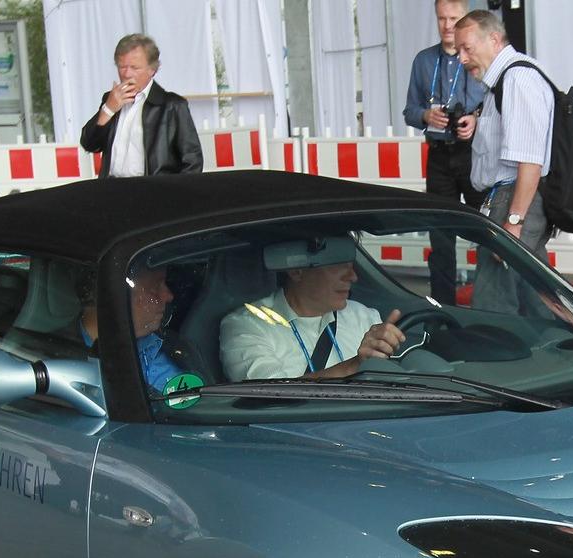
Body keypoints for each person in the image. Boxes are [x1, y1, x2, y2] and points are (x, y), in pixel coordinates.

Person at [455, 10, 554, 314]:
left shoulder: (517, 80)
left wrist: (513, 223)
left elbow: (530, 161)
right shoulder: (505, 81)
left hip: (513, 201)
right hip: (510, 200)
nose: (461, 58)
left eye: (467, 49)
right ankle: (563, 349)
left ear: (495, 40)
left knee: (494, 303)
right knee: (535, 295)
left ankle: (494, 356)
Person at [404, 0, 488, 305]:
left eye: (454, 18)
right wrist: (427, 116)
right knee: (440, 236)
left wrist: (476, 120)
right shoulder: (424, 61)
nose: (447, 25)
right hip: (438, 154)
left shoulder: (477, 58)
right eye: (442, 18)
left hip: (472, 153)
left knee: (485, 229)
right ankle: (443, 308)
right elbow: (409, 110)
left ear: (464, 17)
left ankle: (487, 301)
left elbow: (492, 104)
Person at [218, 245, 405, 381]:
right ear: (296, 271)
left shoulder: (364, 316)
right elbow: (270, 397)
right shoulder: (246, 325)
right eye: (338, 265)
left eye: (351, 266)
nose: (353, 277)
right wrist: (354, 366)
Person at [79, 34, 203, 178]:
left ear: (152, 70)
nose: (126, 73)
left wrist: (172, 196)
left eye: (134, 67)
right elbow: (89, 144)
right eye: (122, 67)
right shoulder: (111, 100)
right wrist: (108, 109)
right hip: (111, 190)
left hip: (152, 191)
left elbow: (192, 161)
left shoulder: (172, 106)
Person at [82, 265, 187, 393]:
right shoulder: (64, 357)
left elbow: (186, 397)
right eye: (155, 288)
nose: (168, 296)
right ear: (115, 297)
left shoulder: (152, 348)